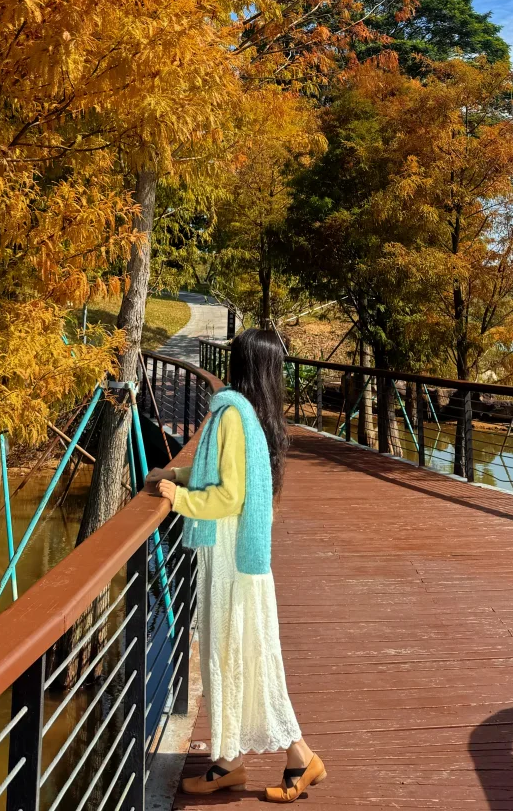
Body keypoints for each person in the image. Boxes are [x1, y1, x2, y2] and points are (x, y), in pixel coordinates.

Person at [150, 326, 326, 802]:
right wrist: (177, 475)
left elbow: (227, 496)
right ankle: (234, 761)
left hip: (230, 564)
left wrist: (182, 498)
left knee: (240, 657)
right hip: (241, 561)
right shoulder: (255, 417)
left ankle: (293, 758)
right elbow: (223, 472)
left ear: (241, 365)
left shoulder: (232, 413)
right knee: (243, 657)